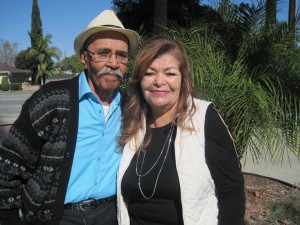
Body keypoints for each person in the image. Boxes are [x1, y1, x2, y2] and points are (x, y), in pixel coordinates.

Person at [0, 10, 140, 225]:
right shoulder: (51, 100)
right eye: (103, 53)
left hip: (111, 214)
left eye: (121, 55)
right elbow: (10, 166)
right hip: (57, 216)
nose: (113, 63)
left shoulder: (130, 106)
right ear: (85, 58)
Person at [117, 35, 245, 225]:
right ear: (140, 80)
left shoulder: (204, 117)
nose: (159, 81)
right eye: (150, 73)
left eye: (170, 73)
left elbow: (231, 192)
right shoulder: (133, 122)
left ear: (183, 79)